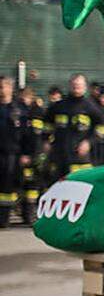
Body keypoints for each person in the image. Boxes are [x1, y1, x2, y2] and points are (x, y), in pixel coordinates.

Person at [46, 73, 104, 181]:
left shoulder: (91, 107)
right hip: (59, 155)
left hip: (79, 157)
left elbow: (102, 128)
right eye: (74, 85)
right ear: (69, 85)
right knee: (57, 185)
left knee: (79, 186)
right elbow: (46, 124)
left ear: (85, 87)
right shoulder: (58, 106)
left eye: (79, 85)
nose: (76, 88)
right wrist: (46, 140)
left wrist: (89, 142)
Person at [16, 87, 47, 224]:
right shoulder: (21, 113)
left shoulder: (35, 114)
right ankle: (27, 214)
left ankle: (30, 215)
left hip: (34, 155)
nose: (24, 100)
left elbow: (35, 138)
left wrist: (31, 155)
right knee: (28, 186)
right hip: (27, 154)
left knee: (32, 186)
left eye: (26, 97)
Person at [0, 77, 24, 227]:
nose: (1, 90)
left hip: (12, 154)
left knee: (7, 188)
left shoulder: (18, 109)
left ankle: (4, 219)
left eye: (3, 87)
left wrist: (28, 153)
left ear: (10, 88)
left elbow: (27, 134)